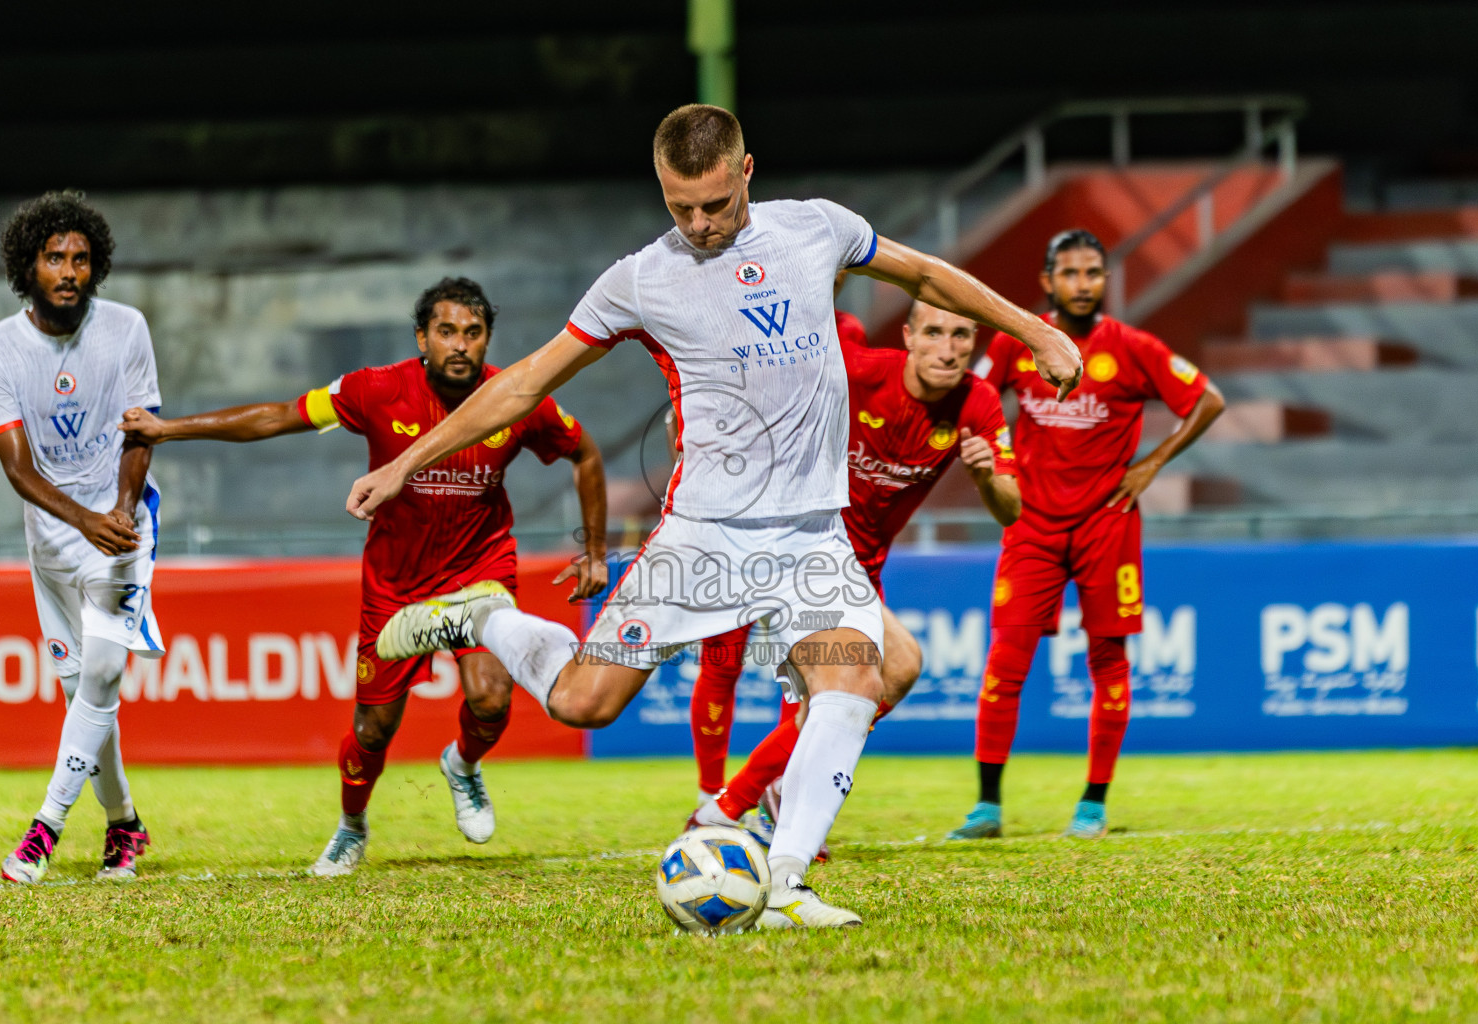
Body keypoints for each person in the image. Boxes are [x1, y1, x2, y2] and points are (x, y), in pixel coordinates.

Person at [348, 105, 1081, 927]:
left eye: (715, 205)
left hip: (811, 535)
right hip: (703, 536)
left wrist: (1030, 331)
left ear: (747, 173)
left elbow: (925, 277)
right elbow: (524, 382)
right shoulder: (640, 278)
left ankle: (787, 882)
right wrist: (409, 460)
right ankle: (485, 616)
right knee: (584, 701)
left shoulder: (816, 230)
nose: (697, 224)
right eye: (678, 207)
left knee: (853, 682)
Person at [119, 278, 609, 876]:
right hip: (397, 585)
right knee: (373, 729)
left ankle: (463, 765)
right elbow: (278, 416)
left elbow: (585, 453)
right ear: (422, 339)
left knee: (490, 697)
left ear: (487, 340)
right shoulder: (375, 390)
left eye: (474, 333)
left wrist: (594, 550)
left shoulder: (515, 396)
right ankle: (352, 825)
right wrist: (171, 430)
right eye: (447, 331)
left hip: (480, 570)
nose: (461, 345)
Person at [688, 299, 1021, 852]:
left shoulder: (979, 403)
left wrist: (987, 476)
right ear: (909, 336)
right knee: (894, 664)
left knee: (836, 695)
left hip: (860, 565)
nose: (949, 347)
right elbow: (774, 386)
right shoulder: (860, 370)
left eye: (961, 335)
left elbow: (1011, 510)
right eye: (935, 332)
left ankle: (758, 804)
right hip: (799, 539)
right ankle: (726, 804)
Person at [948, 229, 1225, 841]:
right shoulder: (1020, 342)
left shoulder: (1132, 348)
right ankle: (987, 806)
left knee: (1108, 661)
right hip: (1031, 526)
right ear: (1048, 282)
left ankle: (1093, 803)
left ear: (1106, 279)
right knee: (1005, 662)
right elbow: (973, 395)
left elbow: (1208, 400)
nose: (1082, 284)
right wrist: (993, 456)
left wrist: (1152, 463)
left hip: (1107, 524)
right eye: (1070, 273)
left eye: (1093, 272)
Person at [0, 191, 160, 883]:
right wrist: (84, 522)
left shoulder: (128, 328)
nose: (70, 270)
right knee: (87, 691)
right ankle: (126, 827)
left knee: (105, 673)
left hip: (121, 526)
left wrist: (122, 509)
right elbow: (18, 469)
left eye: (81, 258)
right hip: (53, 542)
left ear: (96, 265)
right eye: (55, 258)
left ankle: (43, 830)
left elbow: (141, 431)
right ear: (29, 266)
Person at [687, 281, 873, 802]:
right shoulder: (726, 324)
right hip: (733, 518)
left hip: (807, 527)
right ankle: (710, 794)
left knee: (808, 668)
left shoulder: (846, 332)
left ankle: (781, 789)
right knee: (721, 660)